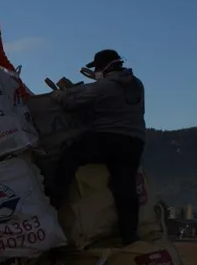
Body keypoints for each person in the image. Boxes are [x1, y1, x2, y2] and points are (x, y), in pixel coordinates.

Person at [50, 49, 146, 246]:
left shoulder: (105, 86)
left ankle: (53, 204)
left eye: (98, 68)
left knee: (70, 156)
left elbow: (70, 103)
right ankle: (129, 235)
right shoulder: (137, 84)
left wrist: (59, 95)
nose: (97, 71)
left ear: (105, 67)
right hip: (135, 141)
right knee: (125, 188)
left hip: (109, 137)